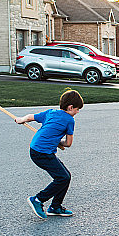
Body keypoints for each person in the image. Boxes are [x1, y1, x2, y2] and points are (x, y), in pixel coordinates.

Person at [15, 90, 83, 219]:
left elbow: (30, 117)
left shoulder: (50, 112)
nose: (77, 112)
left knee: (65, 176)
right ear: (70, 108)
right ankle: (38, 199)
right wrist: (60, 142)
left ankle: (56, 207)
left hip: (35, 149)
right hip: (43, 153)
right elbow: (68, 143)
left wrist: (20, 120)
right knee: (62, 177)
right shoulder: (70, 120)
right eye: (77, 109)